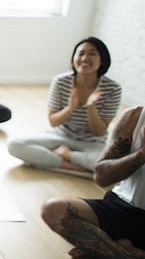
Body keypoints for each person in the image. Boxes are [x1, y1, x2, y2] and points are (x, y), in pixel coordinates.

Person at [41, 105, 145, 259]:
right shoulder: (134, 117)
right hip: (122, 206)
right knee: (53, 210)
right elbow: (101, 176)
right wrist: (141, 154)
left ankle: (109, 250)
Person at [8, 37, 122, 175]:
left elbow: (99, 131)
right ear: (74, 58)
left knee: (112, 163)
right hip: (60, 137)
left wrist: (91, 108)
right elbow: (53, 121)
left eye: (92, 54)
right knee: (14, 145)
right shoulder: (61, 81)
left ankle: (64, 157)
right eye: (80, 53)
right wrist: (70, 108)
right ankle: (76, 168)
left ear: (102, 59)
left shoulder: (112, 88)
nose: (85, 58)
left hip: (91, 144)